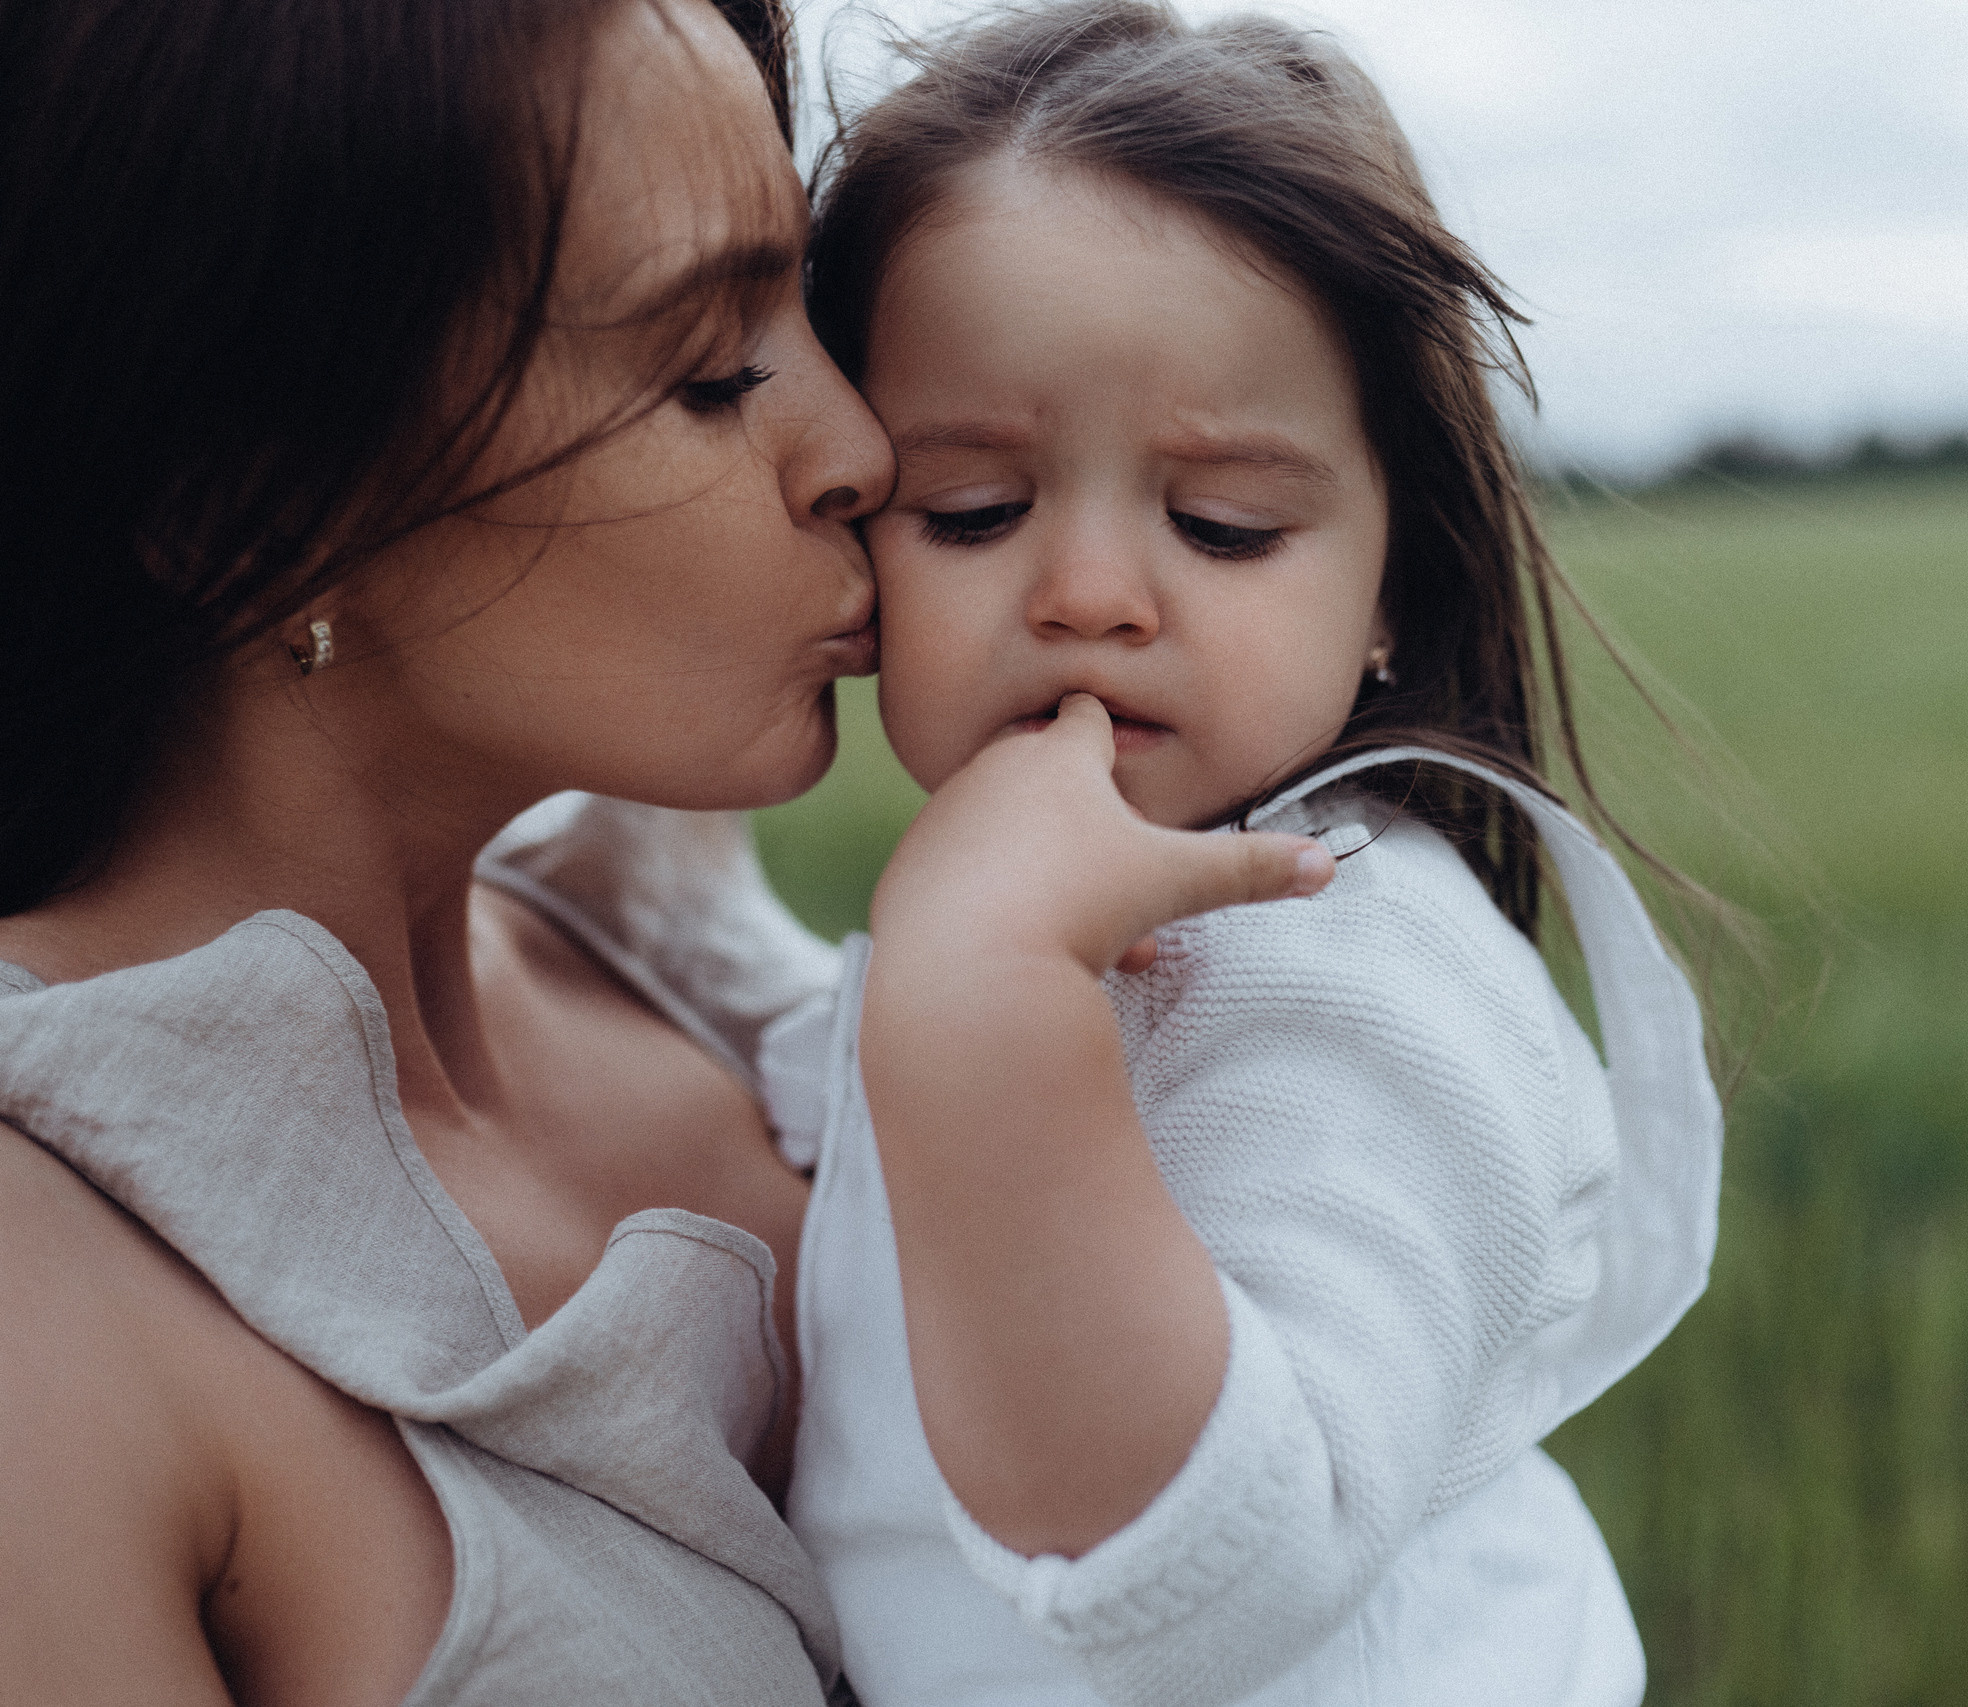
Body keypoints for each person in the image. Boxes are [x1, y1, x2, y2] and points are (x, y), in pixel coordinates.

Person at [0, 0, 1325, 1699]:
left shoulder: (703, 978)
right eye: (710, 373)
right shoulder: (50, 1303)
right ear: (244, 503)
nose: (857, 450)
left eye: (812, 315)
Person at [766, 6, 1734, 1703]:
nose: (1088, 594)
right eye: (970, 510)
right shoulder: (1024, 924)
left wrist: (983, 987)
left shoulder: (1363, 971)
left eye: (1223, 525)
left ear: (1392, 589)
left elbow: (1222, 1582)